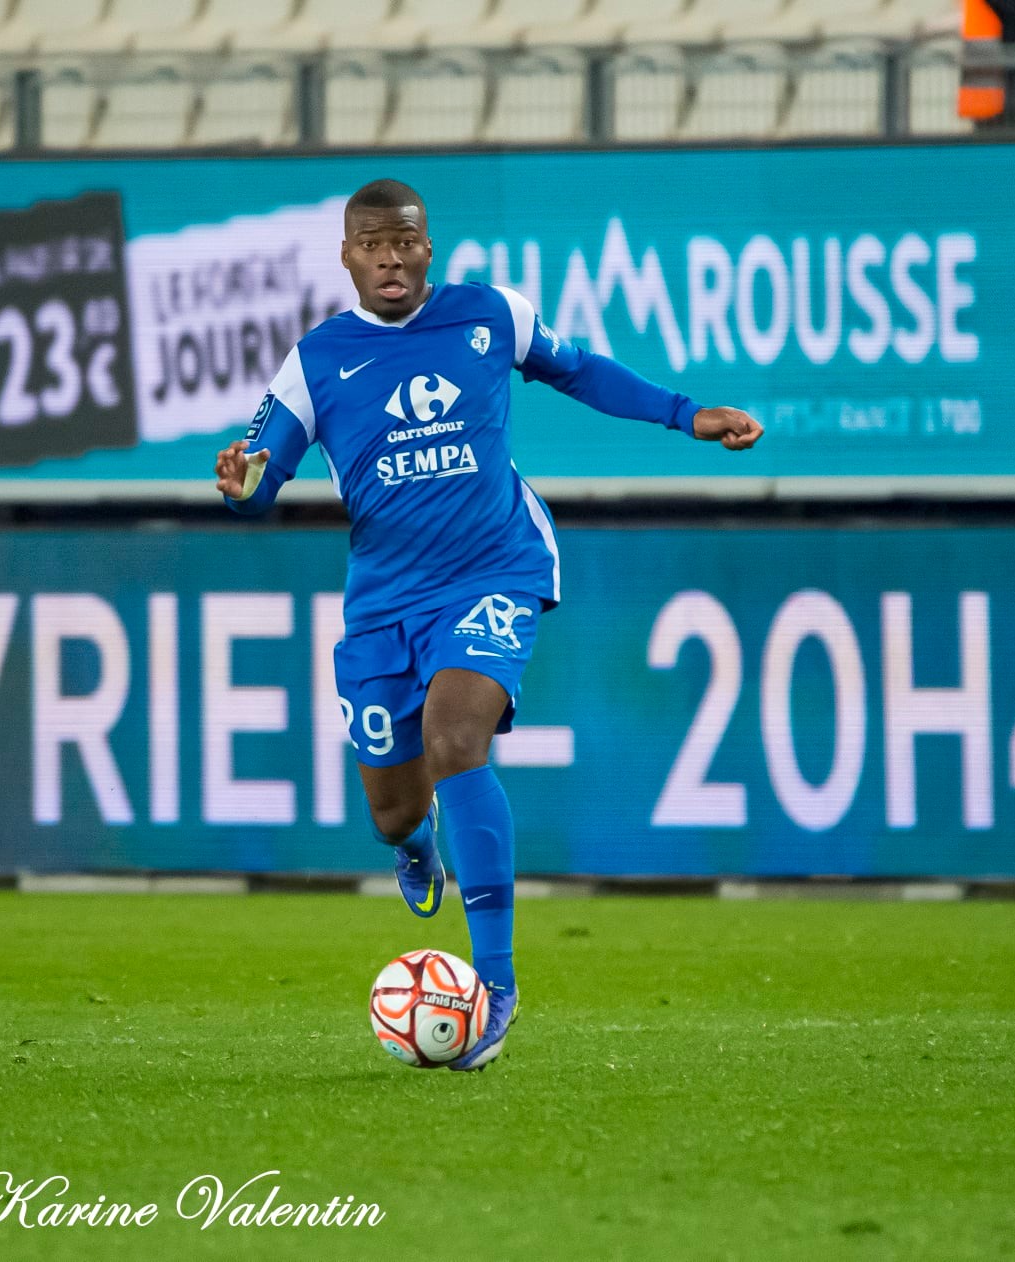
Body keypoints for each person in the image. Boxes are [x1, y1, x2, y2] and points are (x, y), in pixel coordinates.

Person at [215, 179, 762, 1071]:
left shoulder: (492, 315)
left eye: (406, 243)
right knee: (393, 811)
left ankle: (495, 986)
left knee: (456, 739)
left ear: (429, 250)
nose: (391, 258)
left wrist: (683, 414)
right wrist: (243, 486)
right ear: (347, 256)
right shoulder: (315, 361)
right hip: (384, 601)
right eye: (372, 245)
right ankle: (419, 846)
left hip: (492, 568)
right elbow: (262, 473)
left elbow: (580, 368)